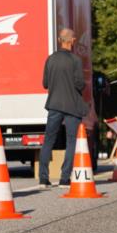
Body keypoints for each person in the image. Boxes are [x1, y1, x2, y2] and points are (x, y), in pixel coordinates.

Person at [38, 28, 89, 189]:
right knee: (71, 141)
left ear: (60, 40)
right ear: (72, 40)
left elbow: (45, 83)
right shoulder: (75, 60)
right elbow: (79, 83)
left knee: (48, 140)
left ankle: (43, 179)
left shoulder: (50, 59)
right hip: (72, 106)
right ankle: (64, 178)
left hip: (54, 105)